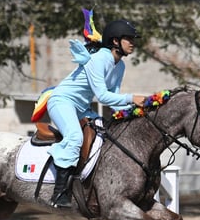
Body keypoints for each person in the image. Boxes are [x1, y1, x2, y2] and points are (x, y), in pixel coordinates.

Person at [47, 19, 146, 208]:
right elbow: (102, 96)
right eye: (129, 39)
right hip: (62, 101)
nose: (133, 43)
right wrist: (132, 98)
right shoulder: (98, 59)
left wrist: (136, 112)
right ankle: (59, 193)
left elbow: (115, 98)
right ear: (116, 41)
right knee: (75, 136)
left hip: (81, 107)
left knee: (105, 135)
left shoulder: (120, 66)